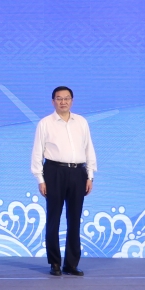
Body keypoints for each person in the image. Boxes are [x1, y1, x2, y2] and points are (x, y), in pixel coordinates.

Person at [31, 86, 97, 277]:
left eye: (67, 98)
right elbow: (37, 152)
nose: (63, 102)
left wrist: (90, 175)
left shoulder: (81, 122)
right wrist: (40, 179)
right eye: (59, 98)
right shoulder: (45, 123)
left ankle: (71, 264)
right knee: (54, 218)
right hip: (54, 172)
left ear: (72, 101)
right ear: (53, 101)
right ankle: (54, 263)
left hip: (78, 173)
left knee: (74, 219)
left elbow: (89, 148)